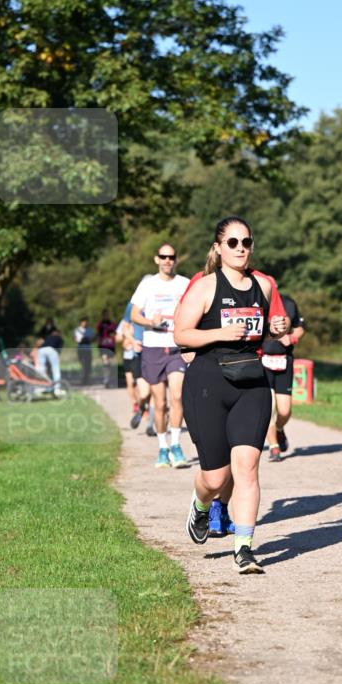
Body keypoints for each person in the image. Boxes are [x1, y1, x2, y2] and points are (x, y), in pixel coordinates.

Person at [174, 216, 289, 574]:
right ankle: (201, 505)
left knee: (247, 469)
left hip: (251, 383)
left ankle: (244, 548)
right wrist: (219, 332)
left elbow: (267, 327)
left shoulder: (264, 286)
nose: (241, 249)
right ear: (219, 248)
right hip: (208, 382)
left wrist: (275, 327)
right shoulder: (205, 287)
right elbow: (182, 334)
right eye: (234, 243)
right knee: (216, 478)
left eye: (247, 242)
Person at [130, 245, 191, 468]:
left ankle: (176, 445)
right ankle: (163, 448)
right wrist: (150, 322)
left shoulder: (184, 284)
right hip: (153, 348)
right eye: (163, 257)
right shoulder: (148, 284)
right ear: (157, 259)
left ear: (175, 260)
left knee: (177, 397)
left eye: (171, 257)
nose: (167, 260)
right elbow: (135, 314)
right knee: (160, 403)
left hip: (176, 348)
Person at [263, 292, 305, 461]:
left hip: (284, 362)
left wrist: (292, 337)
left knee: (285, 410)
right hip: (262, 362)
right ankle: (274, 447)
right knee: (267, 408)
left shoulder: (288, 303)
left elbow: (300, 327)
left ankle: (279, 429)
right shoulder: (256, 303)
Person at [116, 302, 151, 429]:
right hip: (135, 356)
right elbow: (120, 334)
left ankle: (151, 425)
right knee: (143, 391)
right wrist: (130, 340)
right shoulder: (132, 309)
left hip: (155, 352)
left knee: (157, 392)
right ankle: (140, 408)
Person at [32, 320, 64, 394]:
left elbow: (40, 344)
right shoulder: (60, 338)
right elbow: (58, 350)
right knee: (55, 369)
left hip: (41, 350)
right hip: (52, 350)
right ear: (59, 333)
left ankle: (40, 387)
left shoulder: (47, 337)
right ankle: (57, 389)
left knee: (41, 369)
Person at [96, 309, 117, 388]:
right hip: (103, 346)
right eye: (105, 315)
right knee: (106, 362)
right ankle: (106, 379)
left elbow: (115, 333)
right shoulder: (100, 324)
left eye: (107, 315)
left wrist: (113, 335)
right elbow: (98, 333)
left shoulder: (112, 324)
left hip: (110, 346)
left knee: (109, 364)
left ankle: (108, 378)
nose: (106, 316)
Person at [73, 316, 95, 385]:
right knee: (83, 365)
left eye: (86, 322)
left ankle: (87, 379)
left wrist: (87, 339)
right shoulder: (77, 330)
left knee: (88, 365)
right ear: (81, 322)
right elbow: (76, 339)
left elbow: (93, 338)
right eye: (83, 322)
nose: (85, 323)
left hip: (88, 349)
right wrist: (83, 339)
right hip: (81, 350)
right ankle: (83, 379)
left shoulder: (90, 330)